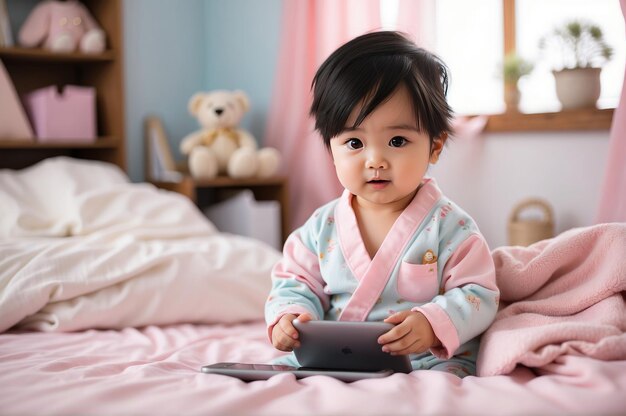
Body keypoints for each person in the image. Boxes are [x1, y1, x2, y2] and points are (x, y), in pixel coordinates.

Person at [264, 31, 499, 378]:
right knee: (281, 377)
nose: (375, 160)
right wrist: (290, 317)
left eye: (397, 140)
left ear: (434, 146)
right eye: (354, 142)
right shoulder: (320, 228)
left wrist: (431, 323)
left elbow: (478, 293)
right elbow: (294, 282)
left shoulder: (451, 227)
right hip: (333, 359)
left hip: (423, 361)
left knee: (445, 383)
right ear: (331, 149)